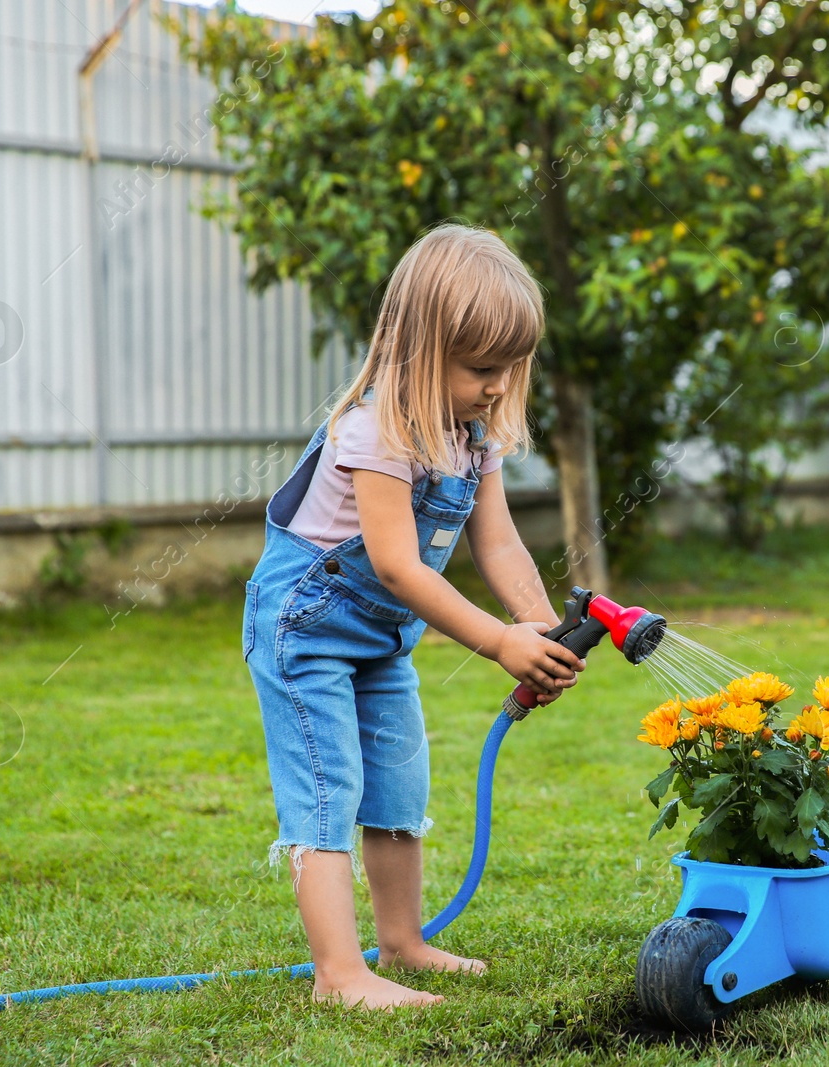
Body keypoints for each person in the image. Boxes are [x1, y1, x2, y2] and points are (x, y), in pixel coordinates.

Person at [243, 224, 585, 1009]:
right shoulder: (376, 429)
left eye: (510, 368)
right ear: (422, 346)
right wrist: (499, 641)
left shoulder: (474, 436)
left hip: (383, 640)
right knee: (329, 790)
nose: (498, 386)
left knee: (398, 784)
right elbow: (397, 563)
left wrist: (540, 626)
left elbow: (496, 542)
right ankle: (340, 975)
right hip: (305, 631)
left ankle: (401, 942)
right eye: (481, 369)